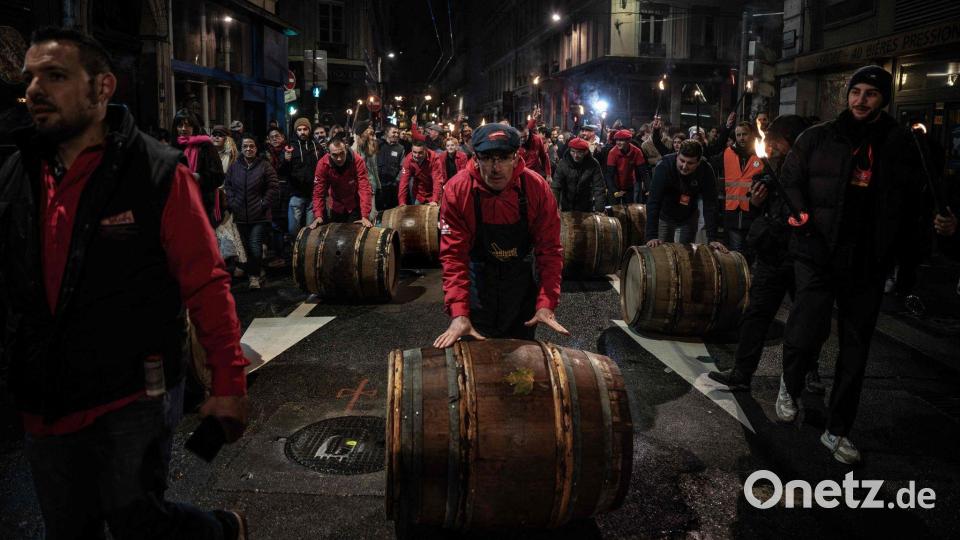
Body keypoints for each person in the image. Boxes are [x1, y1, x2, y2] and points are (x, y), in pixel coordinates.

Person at [1, 27, 248, 538]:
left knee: (138, 519)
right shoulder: (13, 173)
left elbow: (206, 283)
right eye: (29, 78)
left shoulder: (156, 173)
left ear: (103, 87)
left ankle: (219, 531)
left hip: (132, 391)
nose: (33, 90)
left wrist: (228, 385)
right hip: (44, 395)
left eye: (55, 76)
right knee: (69, 528)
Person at [778, 65, 957, 464]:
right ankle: (789, 384)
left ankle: (838, 429)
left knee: (855, 352)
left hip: (868, 262)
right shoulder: (817, 137)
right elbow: (790, 181)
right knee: (807, 330)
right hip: (818, 253)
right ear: (847, 96)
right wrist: (800, 214)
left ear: (883, 100)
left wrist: (939, 225)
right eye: (855, 91)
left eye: (870, 94)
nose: (861, 100)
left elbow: (920, 199)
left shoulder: (901, 144)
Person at [708, 115, 828, 393]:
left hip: (803, 256)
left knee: (808, 319)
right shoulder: (770, 167)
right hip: (773, 253)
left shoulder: (812, 170)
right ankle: (741, 372)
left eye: (775, 141)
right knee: (756, 314)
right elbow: (758, 203)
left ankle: (810, 372)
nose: (769, 146)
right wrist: (757, 199)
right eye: (768, 141)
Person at [433, 123, 568, 348]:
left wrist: (546, 303)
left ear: (516, 157)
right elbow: (454, 257)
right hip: (479, 285)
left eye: (503, 157)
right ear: (475, 158)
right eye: (487, 157)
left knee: (521, 371)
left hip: (520, 287)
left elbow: (550, 251)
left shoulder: (536, 188)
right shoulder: (457, 190)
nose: (496, 168)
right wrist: (459, 313)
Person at [645, 140, 726, 251]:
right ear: (677, 155)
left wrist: (712, 238)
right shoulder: (664, 166)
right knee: (660, 253)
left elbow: (710, 204)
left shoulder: (705, 170)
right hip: (665, 215)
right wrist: (651, 236)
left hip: (688, 216)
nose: (684, 166)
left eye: (690, 163)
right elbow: (653, 201)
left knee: (685, 255)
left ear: (698, 162)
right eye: (682, 161)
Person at [225, 136, 280, 289]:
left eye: (251, 146)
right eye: (245, 146)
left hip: (259, 215)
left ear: (256, 148)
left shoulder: (264, 166)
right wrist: (233, 202)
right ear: (241, 148)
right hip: (240, 214)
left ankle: (254, 277)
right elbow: (228, 186)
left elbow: (273, 186)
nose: (248, 149)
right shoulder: (234, 167)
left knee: (255, 244)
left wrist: (263, 203)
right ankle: (257, 270)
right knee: (245, 247)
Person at [171, 108, 224, 228]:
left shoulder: (205, 146)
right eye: (180, 125)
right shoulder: (172, 147)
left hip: (201, 207)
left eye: (188, 125)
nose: (184, 129)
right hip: (178, 206)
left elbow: (218, 176)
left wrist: (198, 176)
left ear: (194, 127)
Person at [719, 121, 764, 254]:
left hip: (753, 210)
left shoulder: (761, 154)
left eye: (744, 134)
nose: (741, 138)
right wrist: (726, 128)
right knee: (737, 253)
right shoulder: (728, 153)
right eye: (738, 135)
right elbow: (713, 149)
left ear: (751, 135)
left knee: (752, 251)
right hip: (732, 210)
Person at [309, 137, 374, 228]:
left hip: (354, 204)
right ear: (329, 153)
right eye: (335, 155)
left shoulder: (357, 161)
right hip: (336, 205)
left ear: (346, 149)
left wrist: (365, 215)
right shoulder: (322, 164)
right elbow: (318, 192)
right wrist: (318, 215)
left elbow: (364, 188)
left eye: (342, 153)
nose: (339, 158)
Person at [287, 117, 322, 234]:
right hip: (296, 193)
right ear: (296, 131)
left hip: (313, 194)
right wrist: (286, 160)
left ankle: (305, 251)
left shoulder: (316, 146)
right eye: (299, 129)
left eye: (305, 129)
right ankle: (293, 249)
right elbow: (282, 170)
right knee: (293, 229)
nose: (302, 132)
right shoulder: (290, 147)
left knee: (310, 230)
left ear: (309, 130)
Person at [551, 137, 605, 212]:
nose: (575, 155)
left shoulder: (593, 164)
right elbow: (556, 186)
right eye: (573, 151)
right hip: (567, 204)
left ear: (586, 152)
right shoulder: (563, 163)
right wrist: (554, 208)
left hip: (585, 205)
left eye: (579, 152)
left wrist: (599, 210)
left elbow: (599, 187)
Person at [605, 129, 648, 205]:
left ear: (629, 141)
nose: (618, 143)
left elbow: (643, 172)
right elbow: (609, 175)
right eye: (617, 140)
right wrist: (615, 191)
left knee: (629, 210)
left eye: (621, 140)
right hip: (615, 185)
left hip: (629, 185)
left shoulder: (636, 151)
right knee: (614, 210)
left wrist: (649, 189)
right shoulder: (613, 152)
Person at [352, 121, 380, 222]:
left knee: (372, 213)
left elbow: (374, 168)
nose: (371, 131)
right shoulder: (355, 148)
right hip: (361, 186)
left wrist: (378, 184)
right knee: (365, 214)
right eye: (368, 129)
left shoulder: (370, 146)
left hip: (371, 185)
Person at [398, 140, 439, 206]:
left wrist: (435, 200)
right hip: (419, 193)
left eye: (420, 153)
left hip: (433, 193)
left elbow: (437, 180)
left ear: (425, 151)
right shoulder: (408, 160)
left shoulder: (434, 158)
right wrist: (402, 202)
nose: (417, 155)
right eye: (414, 152)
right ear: (411, 150)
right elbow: (403, 182)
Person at [376, 124, 405, 212]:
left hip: (392, 186)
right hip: (379, 185)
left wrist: (397, 180)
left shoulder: (400, 148)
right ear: (387, 133)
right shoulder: (378, 144)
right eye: (393, 132)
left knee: (391, 210)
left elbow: (402, 167)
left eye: (397, 132)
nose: (396, 134)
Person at [518, 113, 552, 180]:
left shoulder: (537, 140)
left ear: (528, 132)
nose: (522, 139)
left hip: (535, 175)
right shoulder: (515, 142)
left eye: (525, 137)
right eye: (520, 137)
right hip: (520, 175)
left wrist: (548, 174)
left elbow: (544, 157)